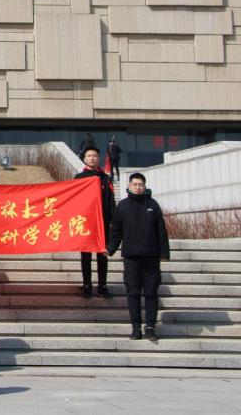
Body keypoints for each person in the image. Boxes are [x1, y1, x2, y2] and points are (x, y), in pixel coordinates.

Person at [107, 172, 170, 340]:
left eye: (140, 185)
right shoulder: (123, 206)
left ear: (145, 186)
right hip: (131, 257)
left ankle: (150, 327)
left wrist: (164, 253)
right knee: (133, 293)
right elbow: (116, 232)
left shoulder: (153, 205)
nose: (137, 187)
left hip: (151, 256)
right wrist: (110, 248)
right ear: (129, 186)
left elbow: (161, 231)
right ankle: (136, 328)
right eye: (134, 184)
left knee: (151, 292)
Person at [75, 144, 115, 298]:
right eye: (89, 156)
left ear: (99, 158)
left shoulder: (105, 178)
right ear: (84, 159)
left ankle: (102, 286)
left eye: (95, 156)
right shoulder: (79, 178)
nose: (92, 158)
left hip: (102, 222)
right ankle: (87, 285)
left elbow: (111, 202)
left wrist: (112, 221)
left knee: (102, 254)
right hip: (85, 222)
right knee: (85, 255)